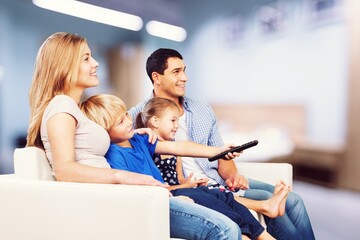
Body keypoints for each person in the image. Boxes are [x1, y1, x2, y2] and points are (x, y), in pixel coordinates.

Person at [25, 32, 242, 240]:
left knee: (225, 221)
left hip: (125, 196)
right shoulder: (62, 106)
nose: (95, 63)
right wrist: (128, 178)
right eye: (86, 58)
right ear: (65, 66)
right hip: (120, 198)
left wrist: (132, 133)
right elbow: (65, 169)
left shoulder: (75, 108)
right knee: (224, 230)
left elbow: (92, 144)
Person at [129, 48, 316, 240]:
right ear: (156, 77)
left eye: (185, 70)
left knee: (293, 200)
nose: (184, 77)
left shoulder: (202, 110)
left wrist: (233, 176)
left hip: (216, 180)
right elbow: (115, 139)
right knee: (267, 198)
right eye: (176, 72)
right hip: (192, 187)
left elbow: (221, 158)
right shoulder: (137, 116)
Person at [80, 93, 281, 240]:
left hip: (168, 193)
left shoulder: (140, 139)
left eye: (126, 114)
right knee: (205, 196)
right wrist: (179, 190)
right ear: (105, 130)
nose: (128, 120)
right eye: (120, 121)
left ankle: (262, 236)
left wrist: (217, 151)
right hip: (159, 199)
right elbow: (140, 192)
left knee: (218, 195)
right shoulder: (115, 155)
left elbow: (179, 146)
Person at [136, 97, 291, 219]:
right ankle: (265, 206)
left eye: (178, 120)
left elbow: (180, 173)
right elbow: (161, 184)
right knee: (215, 195)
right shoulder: (145, 145)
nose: (177, 126)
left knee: (214, 192)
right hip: (171, 195)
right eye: (173, 121)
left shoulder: (172, 147)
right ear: (155, 121)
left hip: (183, 189)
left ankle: (268, 205)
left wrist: (189, 183)